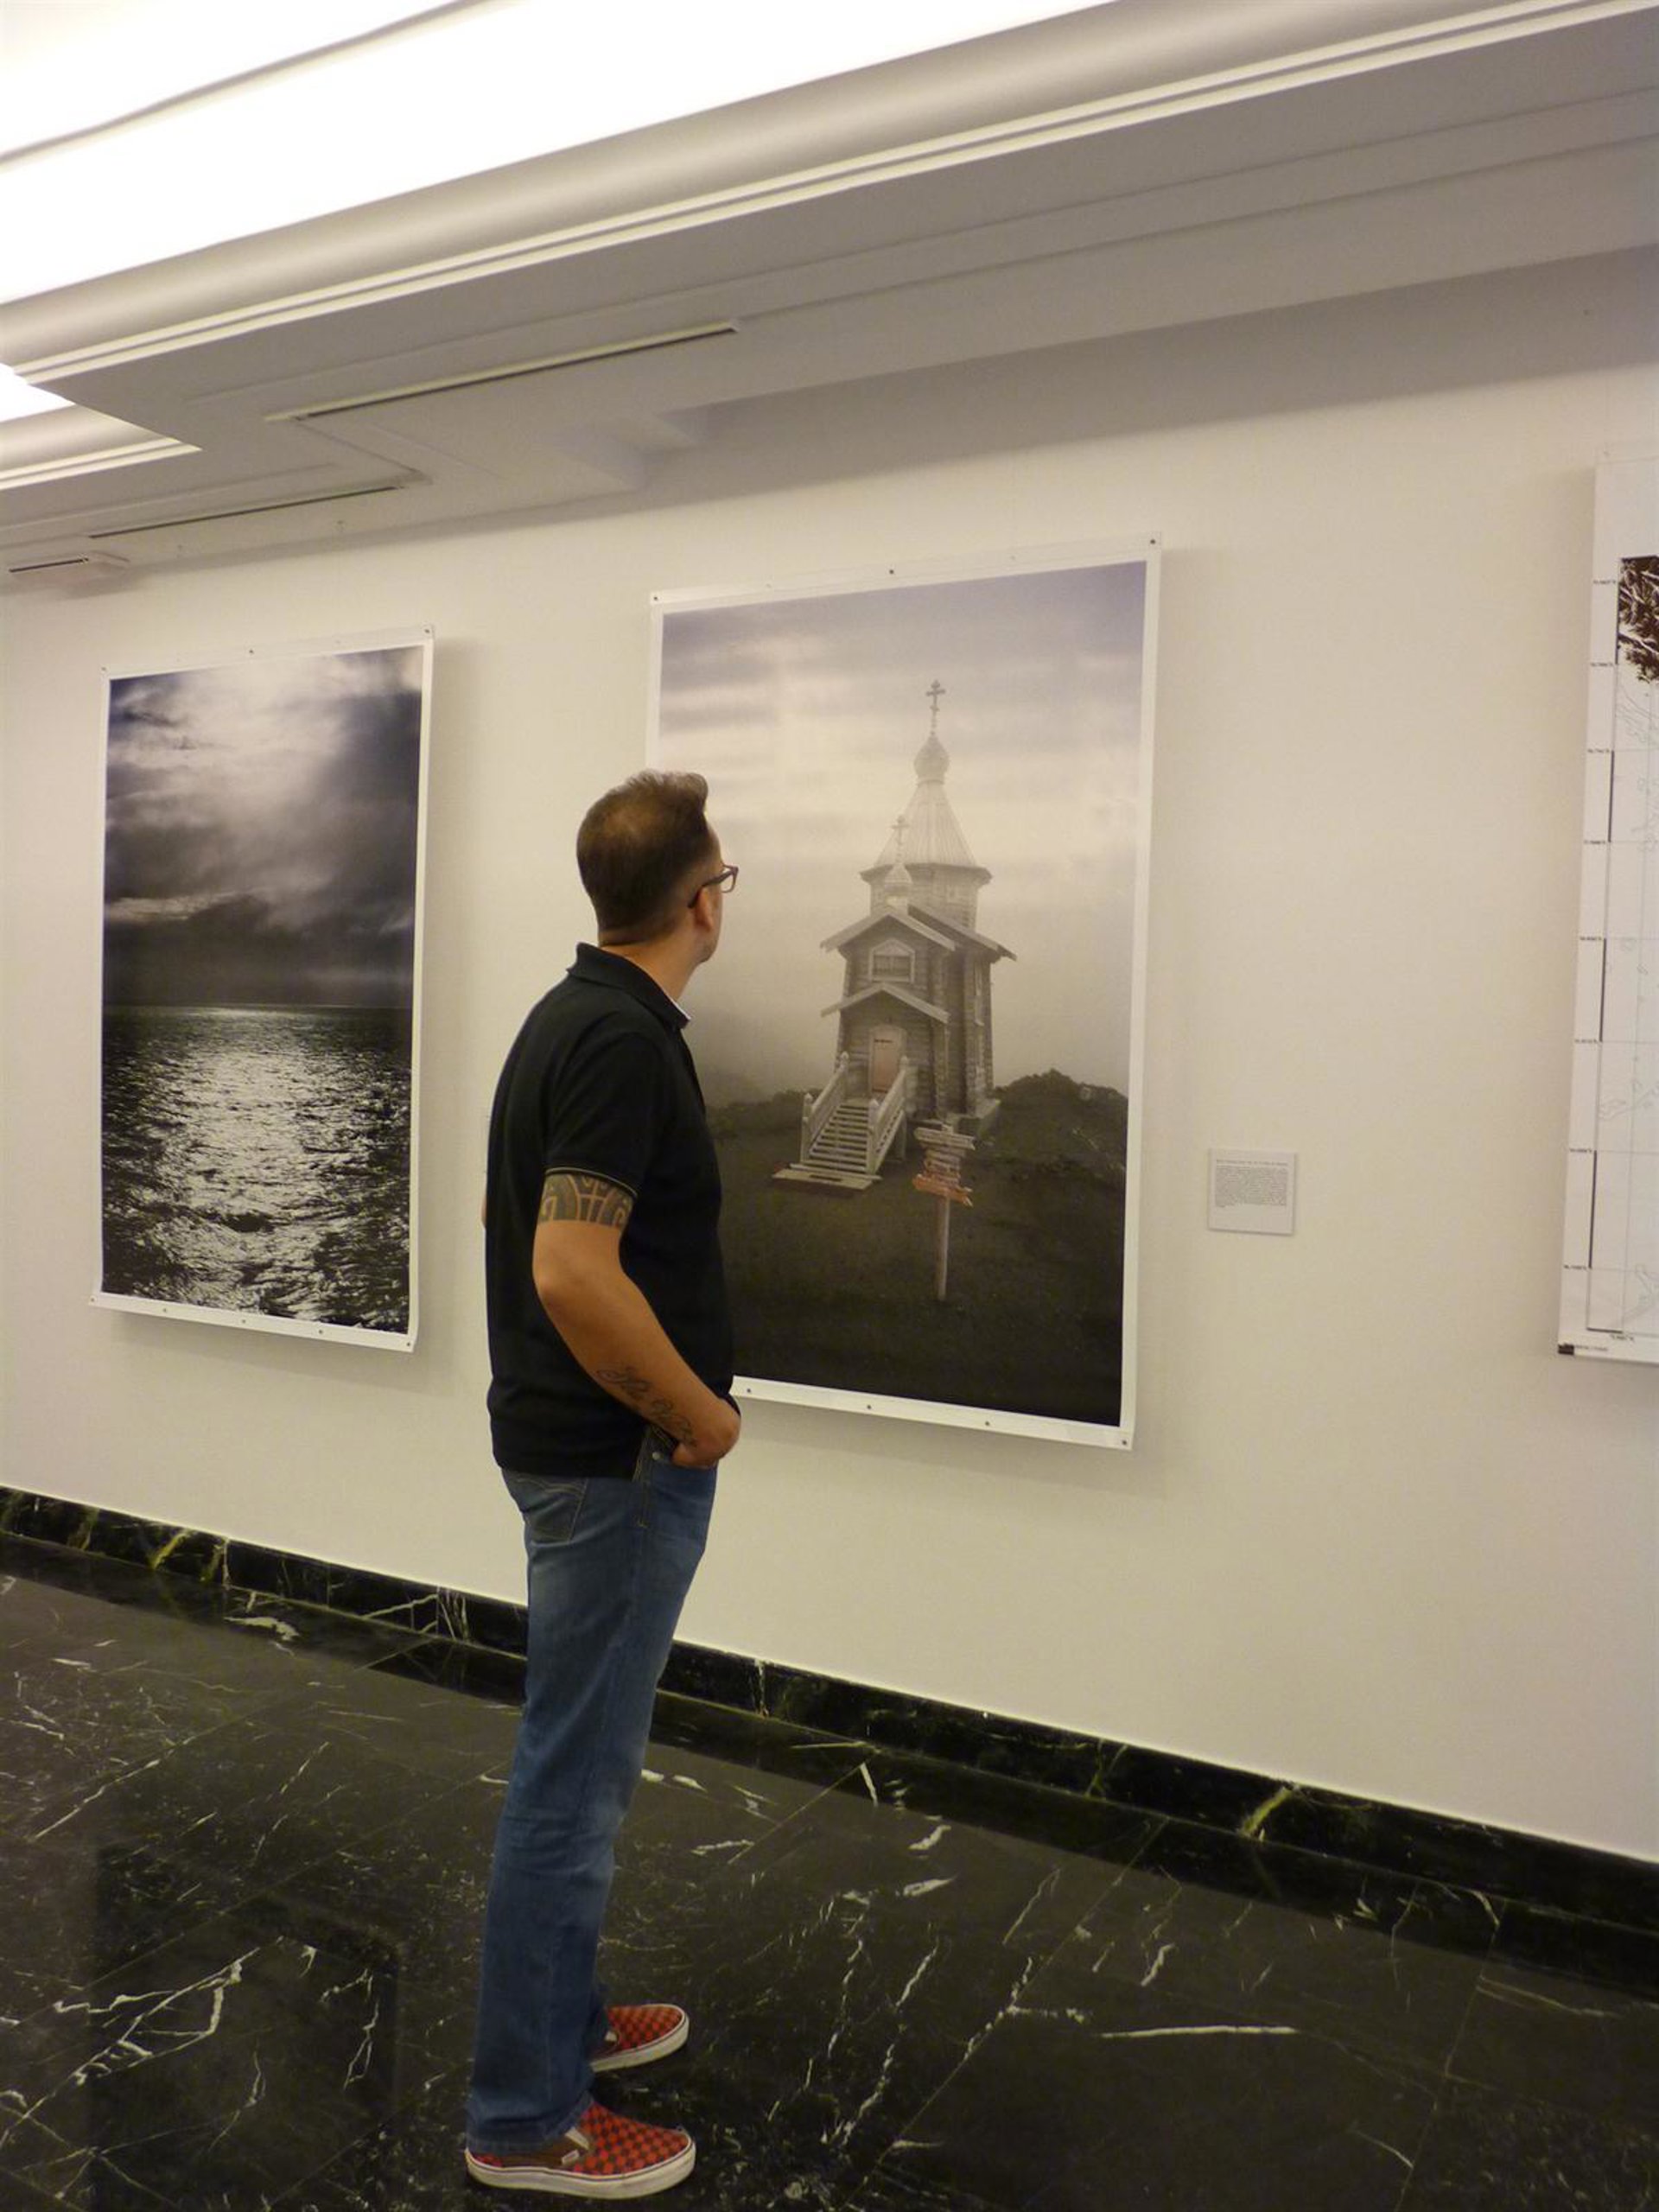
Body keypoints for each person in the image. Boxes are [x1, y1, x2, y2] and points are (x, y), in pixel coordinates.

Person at [466, 769, 741, 2198]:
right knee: (571, 1788)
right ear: (703, 901)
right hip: (616, 1462)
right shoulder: (623, 1042)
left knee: (578, 1768)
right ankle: (525, 2120)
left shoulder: (571, 1016)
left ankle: (563, 2025)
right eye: (724, 880)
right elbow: (572, 1270)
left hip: (580, 1453)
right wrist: (699, 1417)